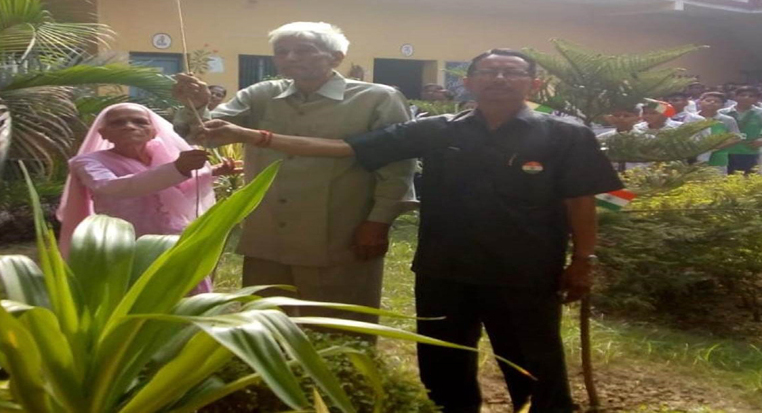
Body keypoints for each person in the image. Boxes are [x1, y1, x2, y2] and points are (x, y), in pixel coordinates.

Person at [192, 49, 621, 413]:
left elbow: (580, 202)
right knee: (442, 365)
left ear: (535, 84)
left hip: (525, 271)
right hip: (443, 269)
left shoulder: (564, 136)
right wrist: (255, 136)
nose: (499, 79)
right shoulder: (440, 130)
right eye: (489, 72)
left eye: (512, 72)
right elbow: (345, 149)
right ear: (468, 82)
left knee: (533, 364)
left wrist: (583, 259)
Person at [173, 21, 416, 323]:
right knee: (266, 319)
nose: (290, 57)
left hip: (341, 228)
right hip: (268, 230)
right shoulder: (261, 95)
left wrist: (378, 221)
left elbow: (397, 165)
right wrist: (196, 106)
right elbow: (204, 135)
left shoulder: (377, 98)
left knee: (338, 323)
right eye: (281, 51)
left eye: (304, 50)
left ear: (336, 57)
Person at [56, 103, 238, 293]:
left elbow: (176, 192)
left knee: (186, 295)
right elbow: (110, 187)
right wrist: (177, 168)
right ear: (103, 133)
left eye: (139, 122)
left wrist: (214, 171)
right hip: (125, 245)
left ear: (153, 131)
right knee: (137, 296)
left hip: (173, 238)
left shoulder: (162, 155)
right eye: (118, 123)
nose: (129, 126)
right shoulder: (87, 162)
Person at [719, 86, 762, 174]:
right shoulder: (723, 112)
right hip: (725, 151)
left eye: (751, 96)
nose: (746, 98)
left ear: (757, 99)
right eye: (742, 95)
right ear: (735, 97)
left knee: (747, 178)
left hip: (749, 152)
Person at [695, 92, 740, 173]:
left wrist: (715, 147)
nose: (712, 103)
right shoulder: (691, 118)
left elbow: (736, 137)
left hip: (718, 159)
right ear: (700, 102)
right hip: (692, 159)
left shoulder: (728, 120)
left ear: (722, 105)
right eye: (708, 100)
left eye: (717, 101)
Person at [598, 107, 645, 174]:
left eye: (626, 116)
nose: (621, 118)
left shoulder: (647, 140)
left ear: (638, 118)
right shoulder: (601, 139)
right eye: (616, 115)